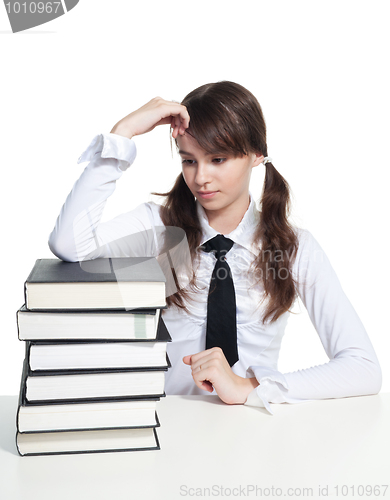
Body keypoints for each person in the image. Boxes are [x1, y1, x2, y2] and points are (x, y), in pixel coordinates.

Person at [48, 81, 381, 414]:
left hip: (252, 428)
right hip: (169, 424)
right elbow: (68, 244)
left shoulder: (294, 247)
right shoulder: (158, 227)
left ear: (256, 155)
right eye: (189, 161)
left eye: (218, 159)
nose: (201, 178)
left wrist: (253, 386)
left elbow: (363, 367)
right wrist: (122, 135)